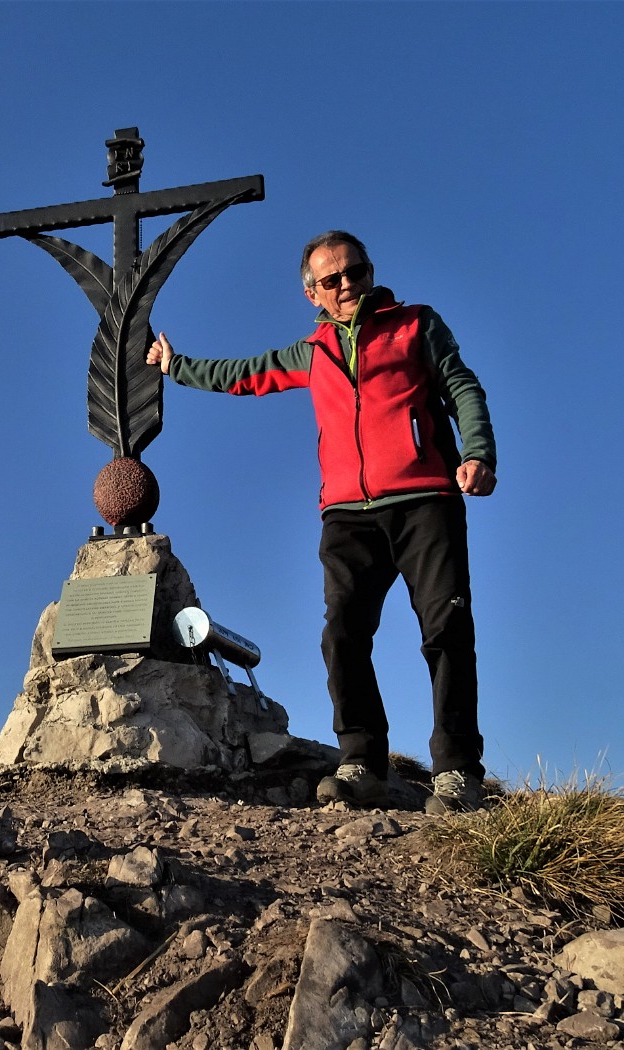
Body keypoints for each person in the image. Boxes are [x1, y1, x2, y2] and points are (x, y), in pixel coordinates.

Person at [146, 230, 496, 814]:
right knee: (343, 637)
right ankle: (361, 764)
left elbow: (462, 385)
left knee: (447, 633)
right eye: (330, 280)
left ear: (369, 271)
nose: (346, 286)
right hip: (347, 514)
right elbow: (245, 373)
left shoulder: (416, 324)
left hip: (425, 499)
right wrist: (175, 366)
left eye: (354, 272)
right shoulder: (314, 351)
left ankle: (458, 772)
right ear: (313, 293)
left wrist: (477, 452)